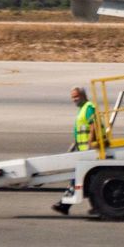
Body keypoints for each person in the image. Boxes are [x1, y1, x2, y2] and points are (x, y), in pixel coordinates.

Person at [51, 86, 100, 216]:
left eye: (76, 96)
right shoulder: (82, 109)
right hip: (81, 148)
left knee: (77, 177)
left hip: (88, 150)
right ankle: (96, 206)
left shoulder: (88, 107)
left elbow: (93, 125)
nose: (74, 100)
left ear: (83, 96)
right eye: (72, 97)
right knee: (87, 179)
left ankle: (64, 205)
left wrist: (90, 144)